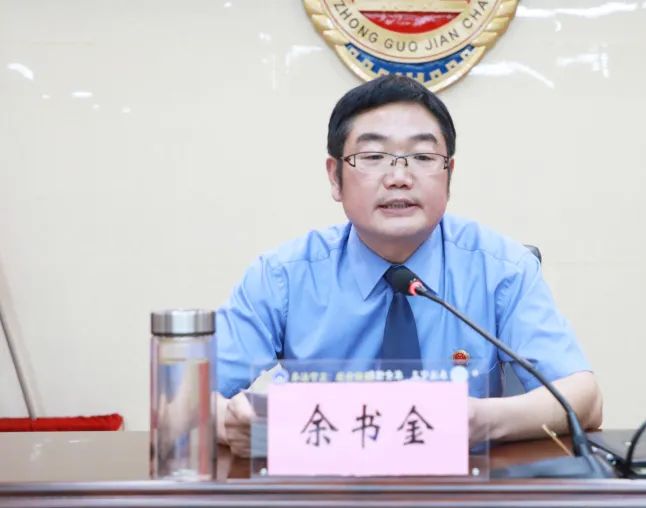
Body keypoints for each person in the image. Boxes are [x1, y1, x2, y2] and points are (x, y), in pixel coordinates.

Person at [214, 75, 602, 457]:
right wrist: (231, 425)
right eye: (373, 157)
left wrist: (481, 420)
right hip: (322, 483)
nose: (399, 178)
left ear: (449, 175)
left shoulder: (503, 270)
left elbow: (584, 398)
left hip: (459, 487)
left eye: (422, 157)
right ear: (335, 177)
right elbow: (189, 396)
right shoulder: (282, 277)